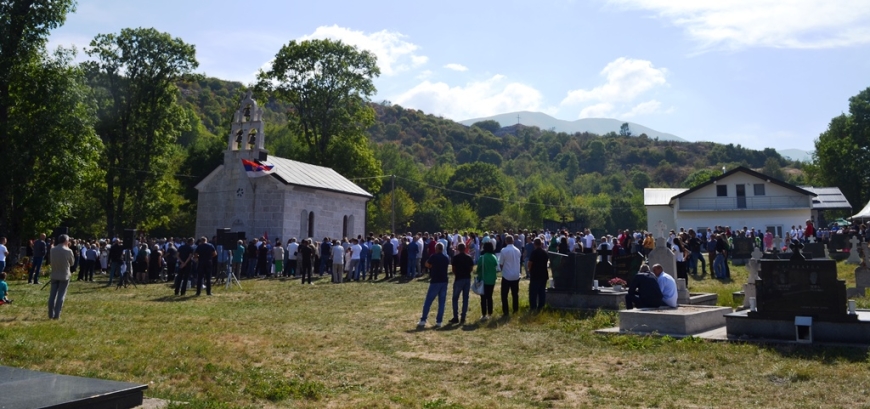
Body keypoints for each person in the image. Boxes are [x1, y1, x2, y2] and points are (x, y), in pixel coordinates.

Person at [418, 243, 449, 328]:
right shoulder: (446, 258)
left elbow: (427, 264)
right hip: (444, 281)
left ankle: (423, 319)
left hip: (435, 281)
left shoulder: (433, 256)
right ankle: (439, 321)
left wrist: (431, 266)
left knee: (428, 301)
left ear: (436, 249)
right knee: (441, 303)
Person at [48, 234, 75, 319]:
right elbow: (72, 263)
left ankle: (50, 314)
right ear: (66, 241)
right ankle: (57, 315)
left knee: (52, 295)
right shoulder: (68, 251)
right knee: (61, 295)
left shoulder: (52, 250)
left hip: (54, 274)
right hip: (64, 275)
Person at [449, 243, 474, 324]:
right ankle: (463, 316)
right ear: (465, 248)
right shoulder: (469, 257)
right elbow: (471, 269)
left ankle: (455, 317)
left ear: (458, 249)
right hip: (467, 278)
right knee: (465, 298)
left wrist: (457, 274)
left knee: (455, 298)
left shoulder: (455, 258)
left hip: (459, 279)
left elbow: (453, 269)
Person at [498, 235, 522, 317]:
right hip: (516, 275)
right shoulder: (517, 250)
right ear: (513, 241)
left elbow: (501, 264)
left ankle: (506, 311)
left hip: (507, 275)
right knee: (515, 294)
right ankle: (515, 309)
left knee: (504, 294)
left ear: (505, 241)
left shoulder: (504, 250)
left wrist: (502, 269)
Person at [476, 241, 498, 321]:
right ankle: (490, 313)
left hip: (483, 280)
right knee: (490, 297)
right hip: (492, 279)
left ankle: (484, 314)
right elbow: (496, 266)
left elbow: (478, 269)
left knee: (483, 298)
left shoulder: (482, 257)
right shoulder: (493, 257)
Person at [527, 237, 550, 311]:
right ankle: (541, 306)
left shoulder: (534, 252)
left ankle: (533, 307)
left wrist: (529, 270)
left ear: (534, 244)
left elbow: (530, 263)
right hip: (543, 274)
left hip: (535, 274)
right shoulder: (545, 252)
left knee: (533, 292)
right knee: (542, 292)